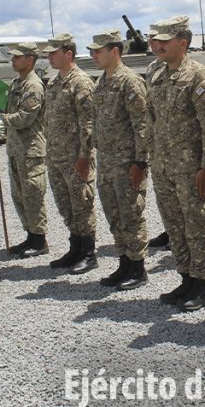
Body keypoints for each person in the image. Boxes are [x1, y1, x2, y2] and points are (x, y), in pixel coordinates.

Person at [148, 16, 205, 311]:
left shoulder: (198, 76)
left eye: (165, 41)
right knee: (174, 225)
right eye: (157, 41)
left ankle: (201, 285)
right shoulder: (157, 74)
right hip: (164, 167)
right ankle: (186, 278)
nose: (158, 45)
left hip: (191, 169)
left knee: (196, 225)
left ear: (183, 43)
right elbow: (153, 121)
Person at [89, 29, 153, 290]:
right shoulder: (101, 82)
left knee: (131, 215)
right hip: (107, 162)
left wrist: (141, 163)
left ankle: (138, 268)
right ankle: (124, 263)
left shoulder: (130, 81)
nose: (93, 56)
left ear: (114, 51)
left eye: (98, 51)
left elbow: (142, 125)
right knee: (114, 215)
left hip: (127, 163)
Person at [0, 41, 48, 259]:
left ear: (30, 59)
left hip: (31, 150)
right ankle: (30, 235)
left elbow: (24, 118)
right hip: (16, 149)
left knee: (32, 195)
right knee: (20, 195)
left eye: (17, 57)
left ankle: (39, 240)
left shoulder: (33, 86)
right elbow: (9, 108)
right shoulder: (16, 83)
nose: (13, 60)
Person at [42, 33, 98, 274]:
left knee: (82, 204)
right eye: (48, 54)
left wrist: (85, 156)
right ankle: (75, 248)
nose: (49, 57)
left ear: (68, 54)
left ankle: (88, 252)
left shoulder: (81, 82)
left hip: (76, 157)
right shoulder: (54, 83)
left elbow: (88, 124)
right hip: (56, 156)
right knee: (65, 205)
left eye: (53, 53)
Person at [145, 20, 172, 251]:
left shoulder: (182, 68)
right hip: (159, 146)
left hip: (179, 148)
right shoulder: (153, 68)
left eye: (158, 39)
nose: (154, 44)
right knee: (164, 195)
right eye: (151, 39)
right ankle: (170, 230)